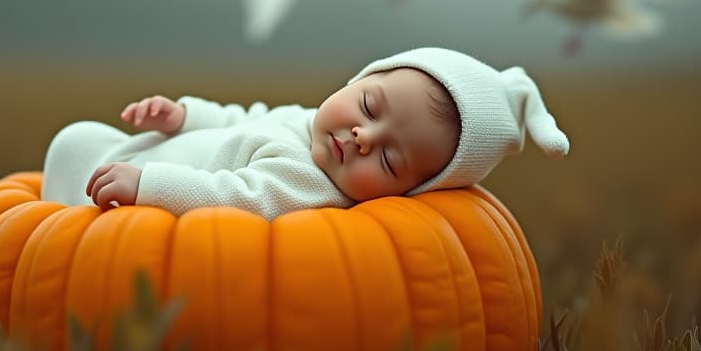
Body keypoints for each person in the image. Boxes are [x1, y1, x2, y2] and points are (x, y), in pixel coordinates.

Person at [40, 47, 570, 221]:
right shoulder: (308, 120)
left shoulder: (311, 185)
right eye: (368, 106)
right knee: (77, 138)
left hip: (136, 198)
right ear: (359, 80)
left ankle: (67, 214)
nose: (363, 136)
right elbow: (243, 116)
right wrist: (183, 116)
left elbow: (234, 198)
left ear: (407, 192)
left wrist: (148, 186)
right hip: (139, 153)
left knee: (76, 195)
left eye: (388, 160)